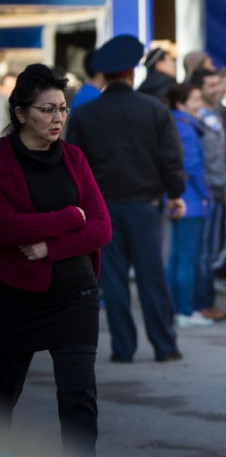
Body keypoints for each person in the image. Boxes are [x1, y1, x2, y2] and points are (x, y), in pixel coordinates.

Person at [0, 63, 111, 457]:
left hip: (73, 293)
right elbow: (7, 227)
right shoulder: (2, 159)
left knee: (79, 400)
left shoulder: (74, 158)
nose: (58, 118)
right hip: (13, 297)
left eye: (63, 109)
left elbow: (100, 227)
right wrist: (67, 218)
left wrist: (51, 246)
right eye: (47, 109)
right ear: (20, 113)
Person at [65, 34, 187, 363]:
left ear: (103, 75)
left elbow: (74, 166)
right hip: (146, 206)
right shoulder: (153, 109)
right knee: (152, 278)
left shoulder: (84, 115)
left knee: (114, 279)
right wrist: (175, 194)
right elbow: (171, 158)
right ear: (133, 74)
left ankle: (123, 349)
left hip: (102, 209)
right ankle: (164, 346)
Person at [164, 83, 214, 329]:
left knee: (176, 256)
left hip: (177, 198)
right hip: (191, 200)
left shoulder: (172, 123)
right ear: (181, 104)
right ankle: (185, 310)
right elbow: (193, 165)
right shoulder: (186, 127)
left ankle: (174, 310)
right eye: (195, 99)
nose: (200, 104)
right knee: (186, 259)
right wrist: (207, 194)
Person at [189, 68, 226, 320]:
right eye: (211, 85)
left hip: (218, 190)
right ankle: (202, 305)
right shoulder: (196, 116)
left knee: (211, 249)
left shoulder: (219, 112)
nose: (216, 89)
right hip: (204, 193)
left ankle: (208, 303)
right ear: (199, 88)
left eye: (218, 84)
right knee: (202, 252)